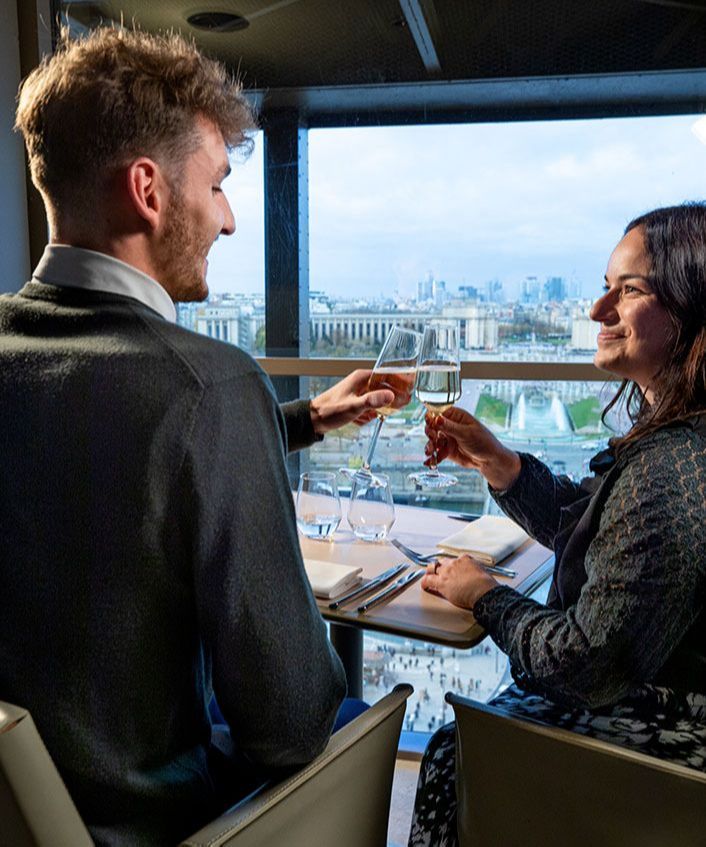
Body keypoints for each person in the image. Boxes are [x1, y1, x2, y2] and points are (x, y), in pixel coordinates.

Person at [3, 26, 394, 847]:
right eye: (216, 185)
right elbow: (289, 723)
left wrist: (304, 418)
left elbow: (77, 449)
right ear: (148, 190)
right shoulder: (209, 384)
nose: (229, 218)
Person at [408, 203, 706, 846]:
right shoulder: (683, 446)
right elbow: (603, 529)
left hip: (653, 755)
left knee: (448, 752)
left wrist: (483, 595)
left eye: (627, 292)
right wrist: (503, 465)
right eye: (605, 288)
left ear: (691, 308)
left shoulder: (669, 471)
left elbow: (584, 664)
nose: (598, 312)